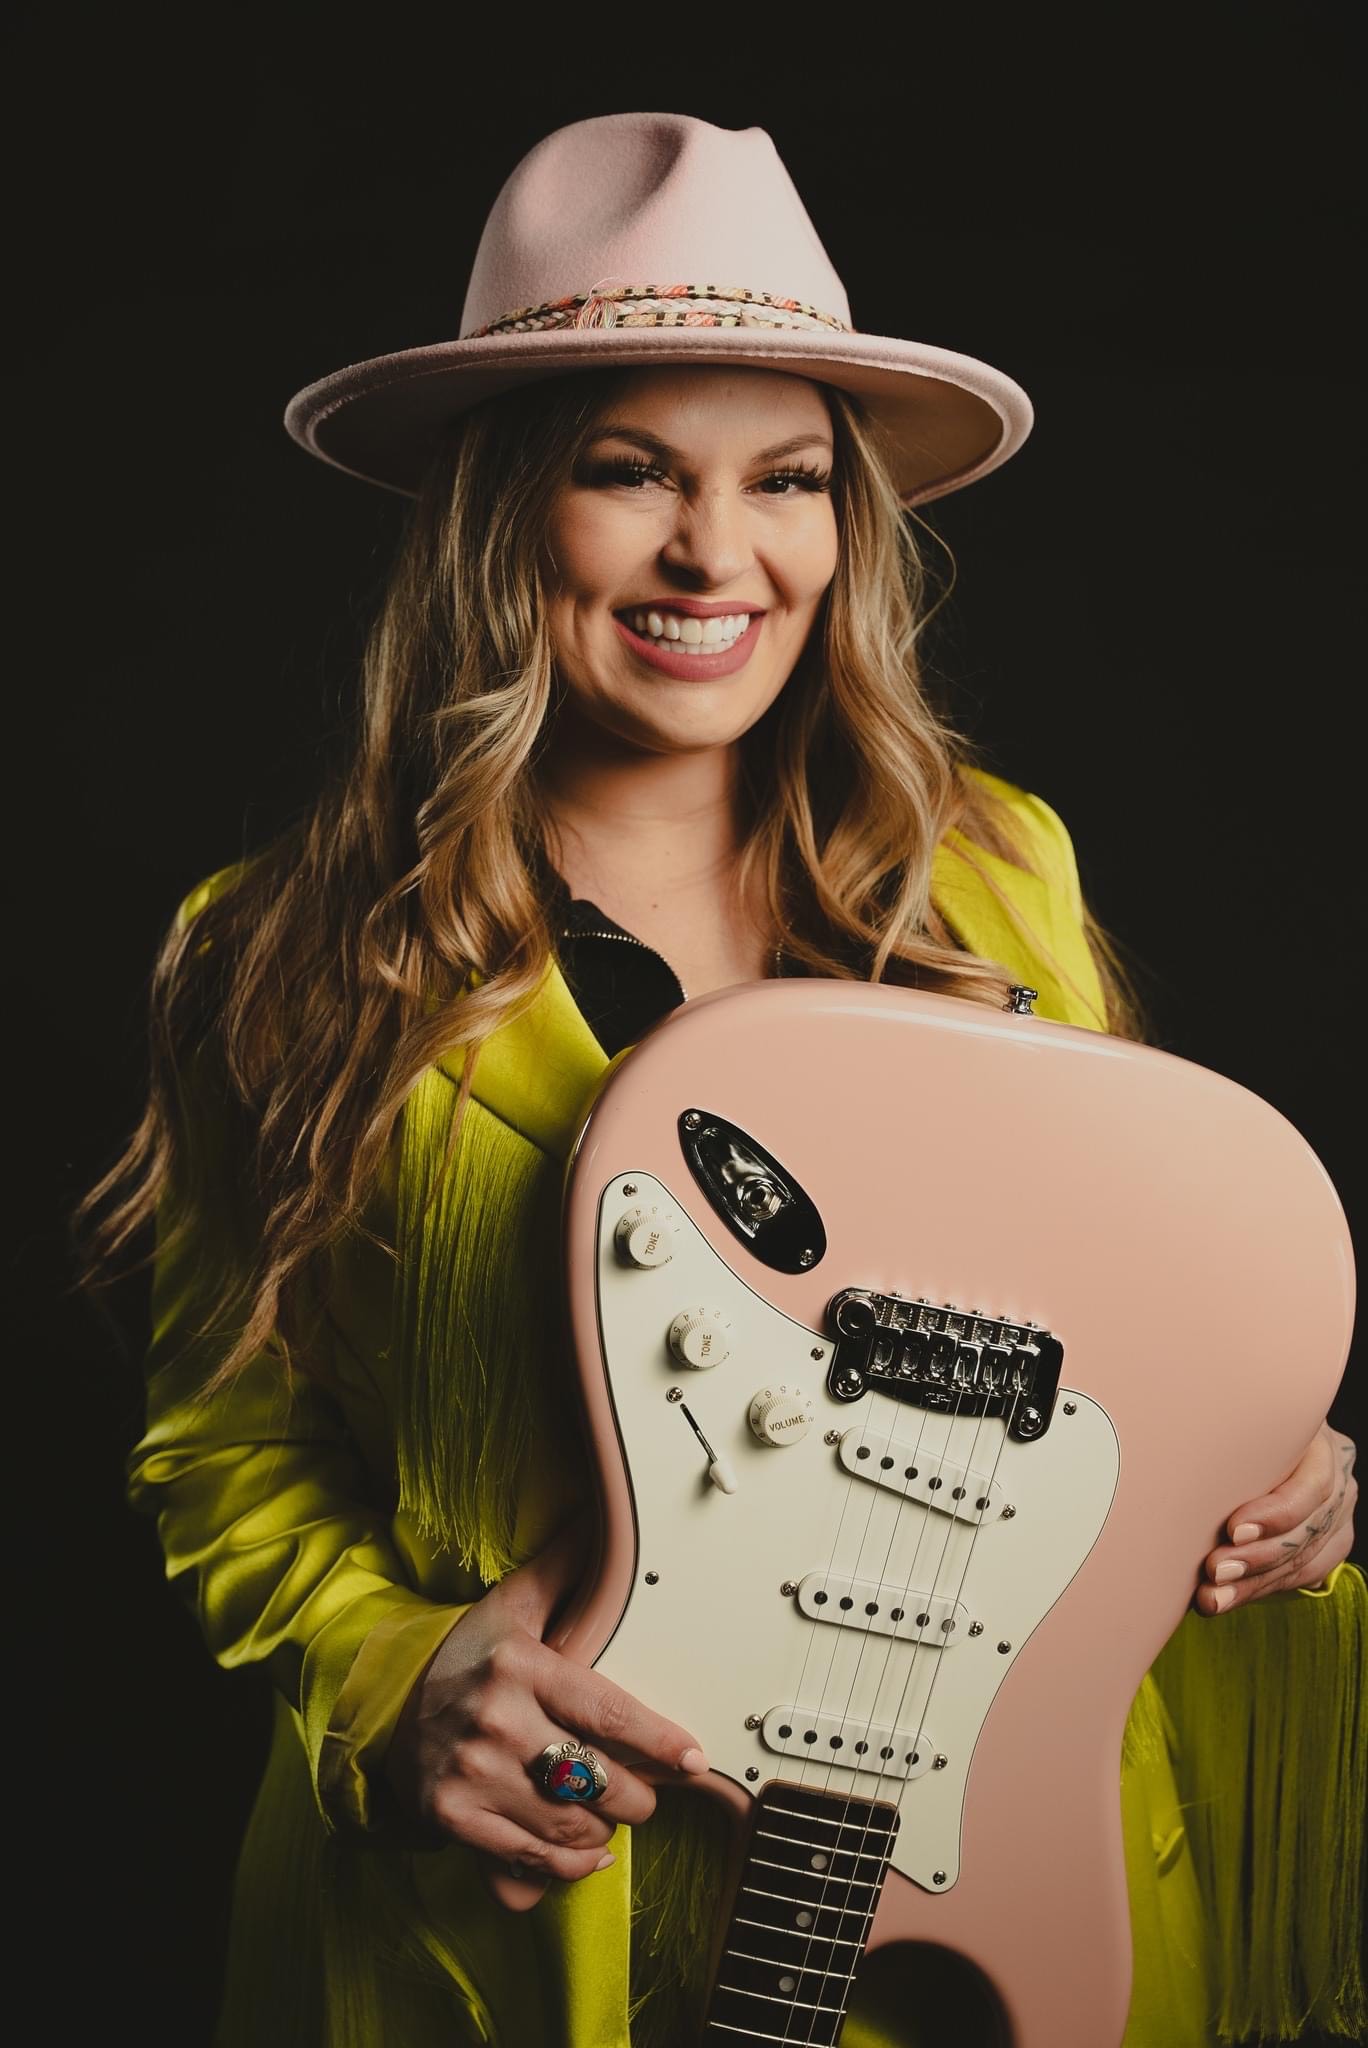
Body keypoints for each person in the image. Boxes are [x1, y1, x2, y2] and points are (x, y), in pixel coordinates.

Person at [84, 114, 1363, 2048]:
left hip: (996, 1890)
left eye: (785, 481)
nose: (717, 553)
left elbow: (1126, 1347)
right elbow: (223, 1450)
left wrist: (1269, 1470)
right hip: (520, 1933)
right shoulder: (270, 957)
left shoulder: (995, 870)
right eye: (631, 473)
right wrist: (392, 1679)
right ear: (502, 514)